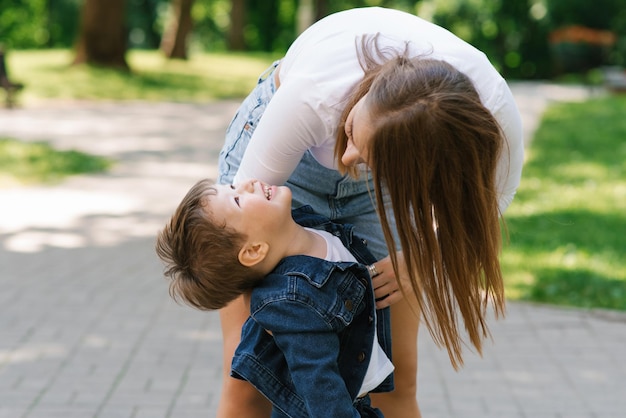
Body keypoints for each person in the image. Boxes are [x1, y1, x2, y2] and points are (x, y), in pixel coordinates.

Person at [217, 6, 524, 418]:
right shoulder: (315, 94)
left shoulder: (490, 124)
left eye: (366, 156)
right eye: (349, 135)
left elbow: (480, 211)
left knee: (394, 383)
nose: (346, 158)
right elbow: (243, 224)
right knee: (251, 380)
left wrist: (422, 257)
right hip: (280, 181)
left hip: (389, 178)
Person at [155, 178, 395, 418]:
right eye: (238, 200)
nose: (246, 184)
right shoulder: (292, 302)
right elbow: (319, 384)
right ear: (253, 250)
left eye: (232, 187)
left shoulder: (308, 227)